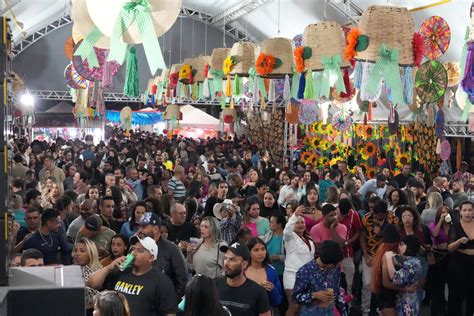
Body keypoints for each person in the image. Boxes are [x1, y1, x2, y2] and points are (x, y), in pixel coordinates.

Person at [87, 236, 177, 316]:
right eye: (133, 249)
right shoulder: (120, 271)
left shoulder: (162, 281)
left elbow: (169, 313)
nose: (134, 253)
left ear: (151, 258)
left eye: (140, 250)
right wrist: (110, 267)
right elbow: (92, 284)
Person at [359, 200, 399, 316]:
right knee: (367, 283)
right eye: (376, 215)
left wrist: (381, 233)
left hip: (386, 256)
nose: (378, 217)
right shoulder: (366, 218)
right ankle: (365, 310)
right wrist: (365, 256)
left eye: (380, 215)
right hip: (370, 254)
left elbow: (395, 235)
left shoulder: (393, 218)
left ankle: (380, 309)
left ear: (386, 213)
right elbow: (362, 237)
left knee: (382, 284)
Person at [136, 212, 189, 299]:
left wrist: (172, 301)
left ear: (156, 229)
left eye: (144, 227)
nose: (140, 230)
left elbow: (182, 278)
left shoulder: (172, 249)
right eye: (139, 227)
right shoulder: (136, 247)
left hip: (164, 302)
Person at [215, 242, 271, 316]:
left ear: (244, 264)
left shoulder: (258, 292)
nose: (226, 263)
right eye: (225, 258)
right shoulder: (214, 285)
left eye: (232, 260)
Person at [292, 240, 346, 316]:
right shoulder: (305, 271)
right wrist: (314, 295)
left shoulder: (335, 268)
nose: (336, 266)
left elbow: (338, 292)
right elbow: (295, 297)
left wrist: (343, 312)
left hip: (330, 310)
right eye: (334, 265)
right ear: (328, 262)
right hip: (311, 312)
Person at [283, 206, 315, 316]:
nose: (301, 224)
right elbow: (287, 230)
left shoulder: (309, 239)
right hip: (292, 275)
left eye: (302, 222)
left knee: (303, 306)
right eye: (297, 223)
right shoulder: (289, 237)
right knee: (294, 306)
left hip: (306, 276)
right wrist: (294, 215)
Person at [447, 201, 474, 316]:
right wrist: (459, 241)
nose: (467, 213)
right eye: (465, 210)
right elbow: (449, 248)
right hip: (458, 264)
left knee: (472, 294)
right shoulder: (455, 226)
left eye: (470, 210)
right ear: (460, 212)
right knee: (456, 295)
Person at [386, 235, 423, 316]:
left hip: (407, 305)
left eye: (402, 244)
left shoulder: (412, 263)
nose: (399, 246)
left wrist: (388, 258)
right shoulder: (410, 260)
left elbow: (396, 278)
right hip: (405, 301)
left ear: (409, 246)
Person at [371, 224, 403, 316]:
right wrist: (404, 289)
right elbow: (386, 282)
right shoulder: (388, 255)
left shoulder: (382, 250)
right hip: (386, 296)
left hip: (385, 295)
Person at [245, 237, 283, 311]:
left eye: (263, 249)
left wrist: (273, 289)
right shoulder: (242, 270)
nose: (261, 253)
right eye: (256, 250)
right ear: (249, 252)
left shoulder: (271, 271)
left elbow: (278, 300)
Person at [428, 205, 452, 315]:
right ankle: (438, 308)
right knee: (439, 284)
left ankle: (449, 307)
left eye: (446, 212)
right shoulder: (433, 225)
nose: (445, 213)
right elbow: (434, 234)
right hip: (438, 255)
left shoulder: (452, 225)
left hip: (450, 255)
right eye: (442, 212)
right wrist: (441, 220)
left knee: (451, 282)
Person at [262, 214, 287, 315]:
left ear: (279, 225)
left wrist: (278, 257)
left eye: (272, 222)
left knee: (280, 299)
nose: (270, 224)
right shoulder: (268, 235)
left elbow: (290, 256)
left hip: (281, 273)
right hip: (268, 272)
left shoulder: (285, 238)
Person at [338, 198, 362, 297]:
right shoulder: (333, 213)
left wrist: (349, 242)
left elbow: (358, 231)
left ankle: (348, 305)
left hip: (347, 253)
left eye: (345, 214)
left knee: (349, 283)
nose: (343, 215)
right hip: (334, 254)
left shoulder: (354, 214)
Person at [72, 238, 103, 314]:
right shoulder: (72, 269)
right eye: (75, 250)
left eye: (82, 251)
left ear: (91, 253)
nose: (77, 253)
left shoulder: (98, 271)